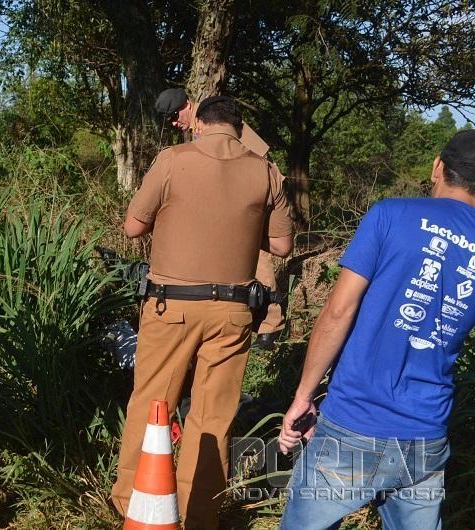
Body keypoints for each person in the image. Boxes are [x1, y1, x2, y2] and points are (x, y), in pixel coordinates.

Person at [277, 130, 475, 530]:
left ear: (438, 167)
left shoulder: (391, 214)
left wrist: (303, 396)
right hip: (426, 435)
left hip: (354, 422)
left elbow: (338, 311)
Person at [113, 95, 294, 528]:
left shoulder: (172, 160)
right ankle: (199, 513)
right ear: (238, 127)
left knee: (152, 403)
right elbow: (283, 245)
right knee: (213, 414)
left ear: (200, 121)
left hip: (170, 307)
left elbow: (133, 227)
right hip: (233, 312)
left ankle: (133, 503)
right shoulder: (265, 170)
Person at [156, 87, 287, 349]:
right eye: (168, 119)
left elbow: (259, 161)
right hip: (225, 203)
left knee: (259, 257)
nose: (173, 123)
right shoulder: (196, 130)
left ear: (187, 105)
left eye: (175, 115)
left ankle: (270, 326)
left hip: (251, 199)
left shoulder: (220, 118)